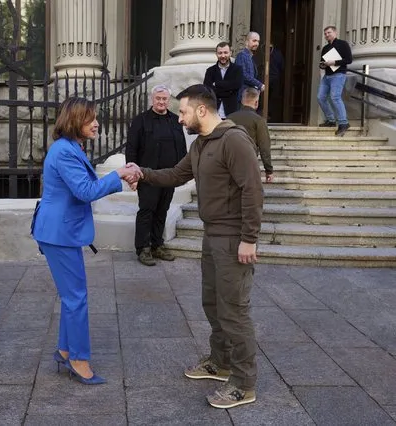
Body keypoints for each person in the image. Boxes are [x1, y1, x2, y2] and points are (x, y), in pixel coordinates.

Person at [127, 84, 263, 409]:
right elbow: (176, 174)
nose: (179, 119)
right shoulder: (202, 144)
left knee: (234, 311)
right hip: (212, 234)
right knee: (212, 303)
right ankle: (221, 362)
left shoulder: (234, 140)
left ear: (201, 110)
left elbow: (252, 189)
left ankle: (244, 384)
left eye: (183, 111)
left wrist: (249, 238)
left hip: (233, 238)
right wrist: (142, 172)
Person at [32, 97, 140, 385]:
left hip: (61, 231)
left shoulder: (69, 148)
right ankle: (78, 359)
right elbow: (85, 191)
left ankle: (66, 350)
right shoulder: (65, 151)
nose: (96, 123)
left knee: (73, 296)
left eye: (95, 118)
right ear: (73, 121)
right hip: (59, 233)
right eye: (90, 118)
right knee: (76, 298)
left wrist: (121, 172)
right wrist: (118, 174)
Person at [125, 85, 187, 266]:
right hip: (147, 176)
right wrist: (132, 174)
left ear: (169, 100)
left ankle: (157, 245)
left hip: (169, 176)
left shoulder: (176, 120)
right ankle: (143, 248)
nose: (161, 101)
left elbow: (182, 147)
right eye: (158, 98)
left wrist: (182, 173)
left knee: (162, 211)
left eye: (164, 98)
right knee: (147, 211)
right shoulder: (140, 120)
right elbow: (131, 148)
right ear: (152, 99)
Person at [227, 87, 274, 183]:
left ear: (242, 100)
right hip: (249, 163)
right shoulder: (259, 120)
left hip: (228, 164)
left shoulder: (229, 118)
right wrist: (268, 170)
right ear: (256, 102)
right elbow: (264, 148)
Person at [318, 25, 352, 136]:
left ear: (335, 32)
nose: (327, 35)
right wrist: (323, 65)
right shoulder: (325, 48)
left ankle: (343, 123)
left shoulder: (343, 44)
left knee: (335, 97)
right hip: (327, 76)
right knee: (320, 97)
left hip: (338, 75)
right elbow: (323, 62)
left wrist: (334, 62)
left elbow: (349, 60)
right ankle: (331, 120)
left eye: (329, 32)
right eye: (325, 33)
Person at [203, 42, 244, 118]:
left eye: (225, 52)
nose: (223, 56)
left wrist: (217, 84)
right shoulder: (210, 71)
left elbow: (237, 85)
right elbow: (207, 89)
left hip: (231, 112)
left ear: (230, 53)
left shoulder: (238, 69)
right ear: (216, 54)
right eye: (220, 53)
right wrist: (229, 89)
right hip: (214, 112)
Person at [235, 32, 264, 101]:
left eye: (258, 41)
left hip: (249, 96)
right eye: (254, 41)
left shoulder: (250, 57)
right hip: (242, 97)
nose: (257, 44)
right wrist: (259, 85)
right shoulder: (241, 55)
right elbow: (243, 75)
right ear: (246, 42)